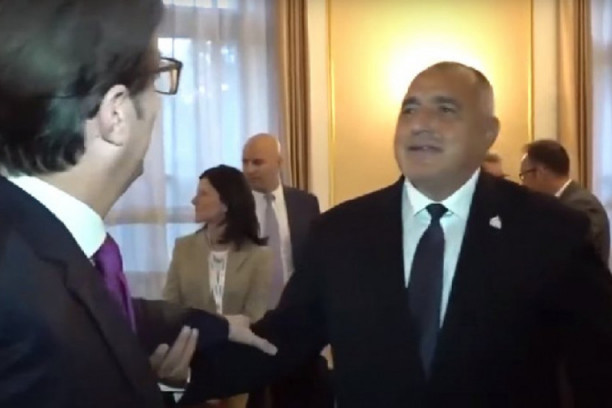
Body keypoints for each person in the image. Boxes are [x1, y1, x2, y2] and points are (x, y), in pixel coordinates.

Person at [181, 62, 612, 408]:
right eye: (409, 109)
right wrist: (176, 367)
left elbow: (598, 368)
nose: (420, 123)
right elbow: (279, 341)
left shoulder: (551, 232)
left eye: (445, 109)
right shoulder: (339, 234)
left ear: (488, 132)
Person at [0, 1, 274, 407]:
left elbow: (117, 311)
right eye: (159, 76)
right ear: (116, 114)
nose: (161, 106)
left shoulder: (45, 249)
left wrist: (216, 326)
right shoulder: (21, 295)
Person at [164, 165, 272, 408]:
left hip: (239, 367)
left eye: (203, 194)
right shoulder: (183, 248)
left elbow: (254, 318)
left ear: (226, 203)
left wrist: (206, 324)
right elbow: (170, 309)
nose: (194, 200)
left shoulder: (259, 256)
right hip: (191, 366)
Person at [242, 134, 331, 408]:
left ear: (279, 162)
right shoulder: (236, 207)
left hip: (296, 319)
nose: (249, 169)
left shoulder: (305, 203)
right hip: (252, 319)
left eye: (257, 162)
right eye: (245, 162)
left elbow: (316, 260)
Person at [520, 139, 610, 264]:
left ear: (541, 171)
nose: (523, 184)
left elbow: (569, 257)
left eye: (523, 175)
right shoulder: (558, 203)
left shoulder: (581, 206)